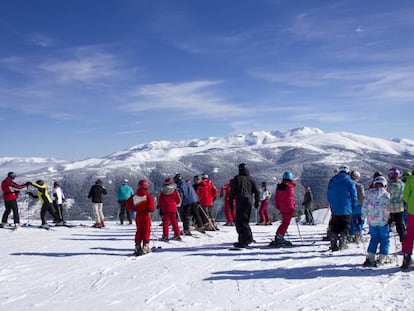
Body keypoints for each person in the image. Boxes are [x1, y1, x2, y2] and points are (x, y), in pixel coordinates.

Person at [361, 176, 391, 266]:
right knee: (384, 239)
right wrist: (389, 218)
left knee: (374, 239)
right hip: (383, 221)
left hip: (372, 221)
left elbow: (364, 207)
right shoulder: (386, 195)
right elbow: (387, 208)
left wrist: (362, 217)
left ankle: (370, 257)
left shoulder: (368, 194)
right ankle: (383, 257)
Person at [228, 163, 260, 248]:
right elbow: (257, 191)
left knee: (240, 221)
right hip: (249, 201)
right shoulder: (251, 179)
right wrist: (257, 201)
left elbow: (232, 192)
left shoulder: (237, 178)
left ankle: (243, 241)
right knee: (245, 220)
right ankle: (249, 238)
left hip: (240, 200)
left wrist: (230, 202)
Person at [327, 165, 357, 251]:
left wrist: (332, 204)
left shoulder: (332, 180)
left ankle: (333, 241)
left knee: (335, 225)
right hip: (346, 208)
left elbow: (329, 194)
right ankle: (342, 242)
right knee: (345, 226)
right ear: (348, 172)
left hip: (335, 208)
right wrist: (353, 207)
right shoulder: (350, 182)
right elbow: (354, 196)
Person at [126, 179, 155, 256]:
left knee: (139, 230)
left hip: (138, 215)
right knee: (146, 230)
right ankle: (145, 246)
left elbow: (128, 204)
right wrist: (148, 209)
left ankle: (137, 245)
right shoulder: (147, 195)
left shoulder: (135, 196)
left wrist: (134, 208)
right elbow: (151, 207)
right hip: (145, 215)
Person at [270, 171, 297, 247]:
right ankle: (279, 236)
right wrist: (293, 207)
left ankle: (279, 236)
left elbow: (277, 198)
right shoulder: (289, 187)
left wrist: (278, 206)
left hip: (282, 207)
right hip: (288, 207)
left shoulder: (280, 187)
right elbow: (290, 198)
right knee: (286, 223)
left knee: (284, 222)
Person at [387, 167, 406, 242]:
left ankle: (384, 245)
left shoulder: (388, 185)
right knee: (400, 226)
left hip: (390, 209)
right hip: (400, 208)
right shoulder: (402, 184)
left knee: (386, 226)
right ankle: (404, 243)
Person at [401, 170, 414, 269]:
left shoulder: (410, 181)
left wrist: (410, 202)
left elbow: (405, 196)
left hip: (412, 211)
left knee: (410, 234)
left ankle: (407, 256)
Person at [348, 171, 365, 242]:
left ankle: (351, 235)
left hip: (351, 206)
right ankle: (358, 234)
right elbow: (363, 196)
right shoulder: (360, 186)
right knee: (360, 220)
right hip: (360, 206)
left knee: (351, 221)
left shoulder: (348, 186)